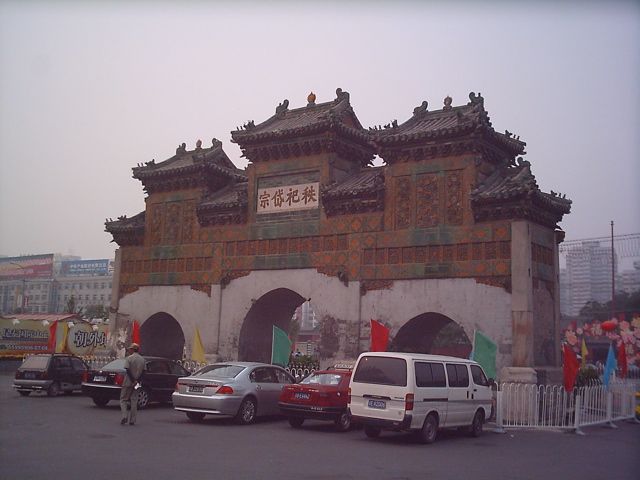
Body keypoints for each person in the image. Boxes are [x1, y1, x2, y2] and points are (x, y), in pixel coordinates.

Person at [120, 343, 146, 426]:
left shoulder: (129, 358)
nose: (129, 350)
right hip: (137, 383)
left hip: (128, 381)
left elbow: (127, 369)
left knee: (123, 399)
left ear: (132, 349)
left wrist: (132, 380)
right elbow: (144, 372)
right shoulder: (142, 359)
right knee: (134, 400)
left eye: (130, 349)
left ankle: (124, 416)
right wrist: (137, 380)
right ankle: (132, 420)